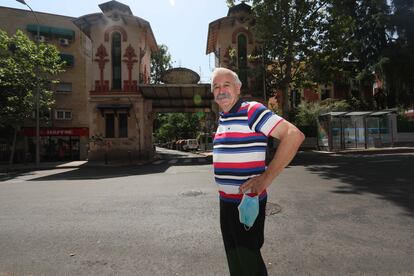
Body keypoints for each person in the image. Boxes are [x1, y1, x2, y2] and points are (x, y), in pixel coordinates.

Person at [211, 67, 305, 276]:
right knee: (235, 260)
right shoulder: (223, 118)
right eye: (216, 86)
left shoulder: (251, 110)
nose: (221, 90)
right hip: (226, 203)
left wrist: (266, 178)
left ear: (237, 87)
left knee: (249, 263)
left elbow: (294, 135)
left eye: (226, 84)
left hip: (246, 202)